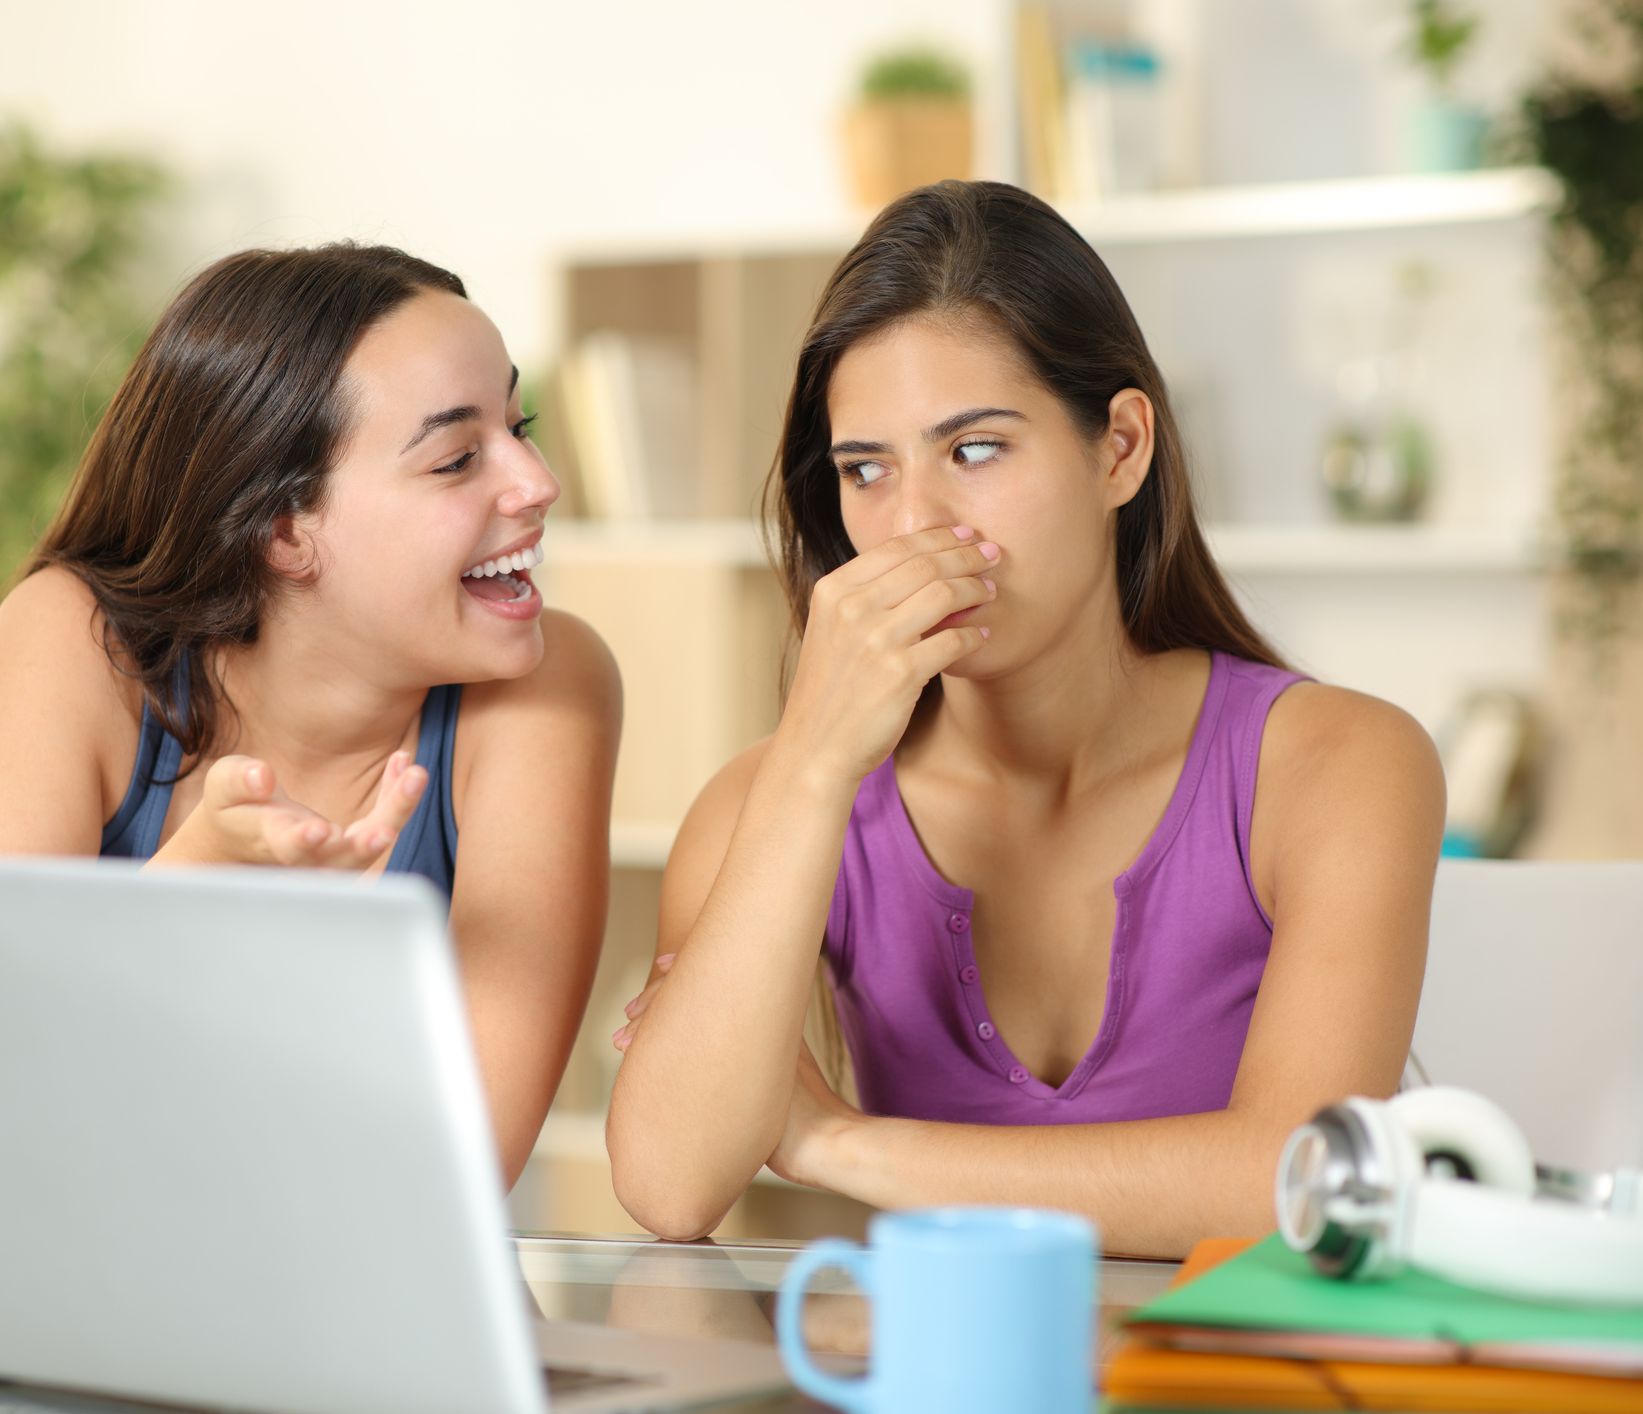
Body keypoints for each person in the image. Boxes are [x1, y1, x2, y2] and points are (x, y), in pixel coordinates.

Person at [605, 183, 1442, 1256]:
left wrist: (842, 1145)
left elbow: (1292, 1180)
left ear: (1121, 449)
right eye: (867, 470)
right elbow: (671, 1187)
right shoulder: (764, 807)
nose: (916, 526)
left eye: (977, 450)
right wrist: (813, 763)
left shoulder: (1341, 766)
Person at [0, 243, 620, 1187]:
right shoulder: (74, 640)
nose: (537, 481)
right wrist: (198, 878)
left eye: (518, 423)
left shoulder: (547, 685)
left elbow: (453, 1168)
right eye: (458, 459)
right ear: (283, 531)